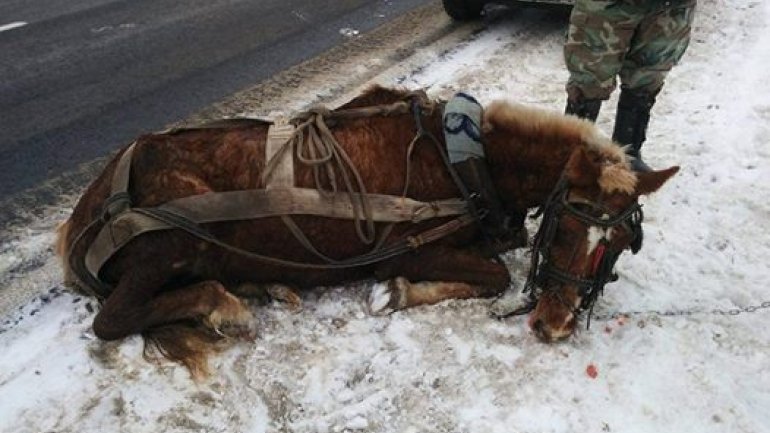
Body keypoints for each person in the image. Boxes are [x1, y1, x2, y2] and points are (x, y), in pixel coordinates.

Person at [563, 0, 697, 171]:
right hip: (608, 7)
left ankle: (627, 157)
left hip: (670, 8)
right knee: (589, 80)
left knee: (647, 79)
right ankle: (570, 158)